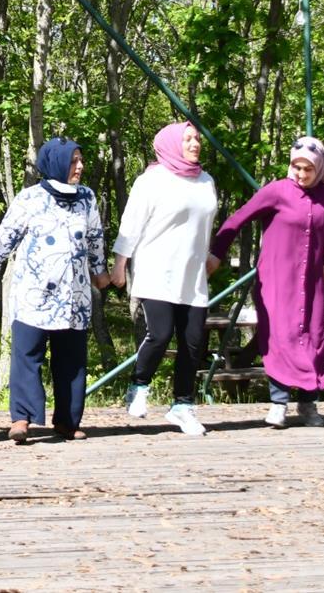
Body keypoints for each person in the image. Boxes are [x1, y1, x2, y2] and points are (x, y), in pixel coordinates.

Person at [0, 137, 109, 443]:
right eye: (73, 161)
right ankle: (22, 418)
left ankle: (66, 420)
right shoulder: (30, 198)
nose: (79, 167)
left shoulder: (86, 198)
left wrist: (100, 273)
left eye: (80, 160)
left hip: (74, 296)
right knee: (27, 355)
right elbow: (4, 238)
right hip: (33, 293)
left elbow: (94, 239)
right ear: (56, 163)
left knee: (72, 361)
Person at [208, 135, 324, 428]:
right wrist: (216, 253)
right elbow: (237, 219)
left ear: (320, 169)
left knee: (315, 336)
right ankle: (278, 402)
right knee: (280, 336)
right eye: (297, 167)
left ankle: (308, 404)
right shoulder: (277, 191)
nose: (301, 174)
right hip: (277, 280)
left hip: (311, 281)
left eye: (308, 169)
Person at [111, 121, 218, 437]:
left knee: (194, 340)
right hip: (157, 268)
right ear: (170, 143)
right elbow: (131, 224)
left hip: (192, 274)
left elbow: (203, 225)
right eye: (187, 139)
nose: (194, 143)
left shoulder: (206, 181)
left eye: (197, 138)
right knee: (159, 334)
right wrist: (120, 265)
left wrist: (209, 254)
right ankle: (139, 385)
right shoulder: (152, 179)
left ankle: (182, 405)